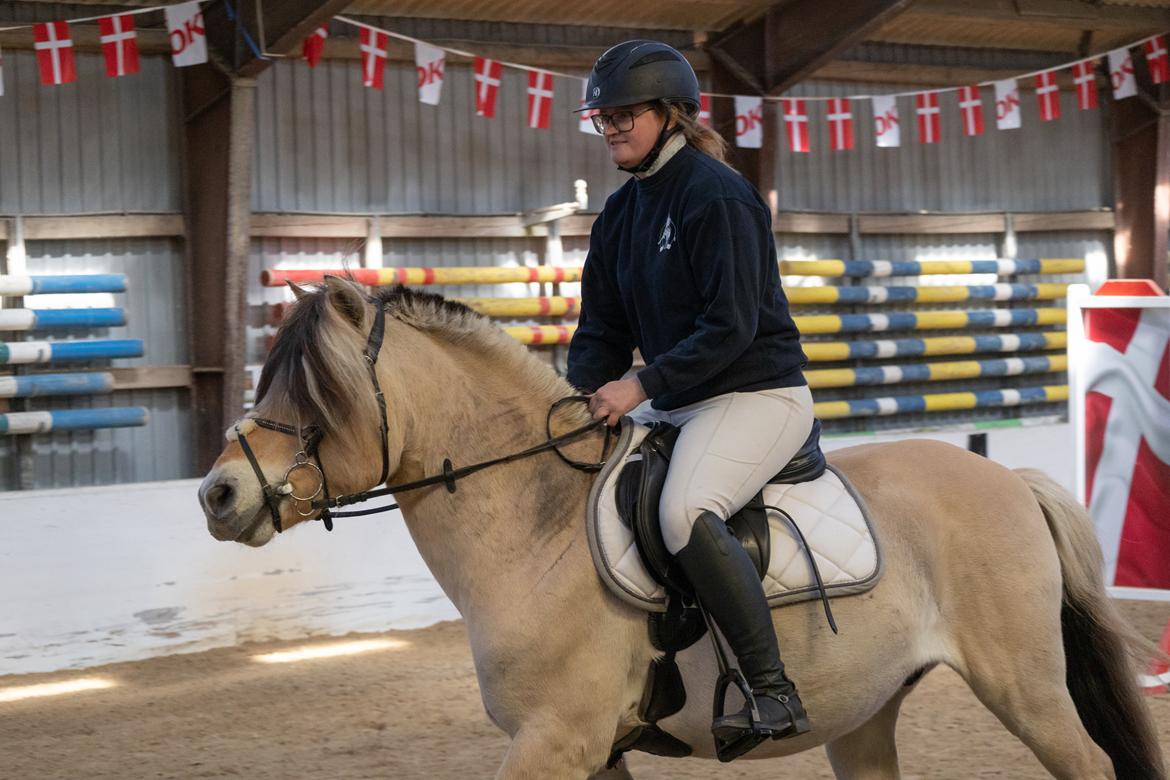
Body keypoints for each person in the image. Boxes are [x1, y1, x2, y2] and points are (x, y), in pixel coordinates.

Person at [566, 40, 815, 752]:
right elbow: (601, 331)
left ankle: (771, 689)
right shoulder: (619, 215)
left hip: (755, 393)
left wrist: (640, 384)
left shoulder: (717, 195)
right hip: (677, 399)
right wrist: (578, 398)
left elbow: (731, 326)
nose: (610, 126)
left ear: (671, 114)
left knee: (682, 509)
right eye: (602, 117)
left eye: (624, 114)